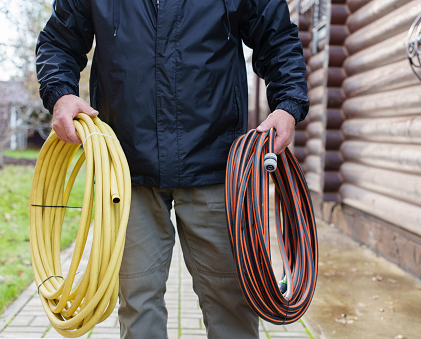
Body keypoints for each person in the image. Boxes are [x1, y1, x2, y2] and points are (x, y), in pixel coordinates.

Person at [36, 0, 309, 337]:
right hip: (127, 171)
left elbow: (277, 38)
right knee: (138, 304)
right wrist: (61, 94)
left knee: (232, 304)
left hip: (216, 168)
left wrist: (288, 103)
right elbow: (59, 42)